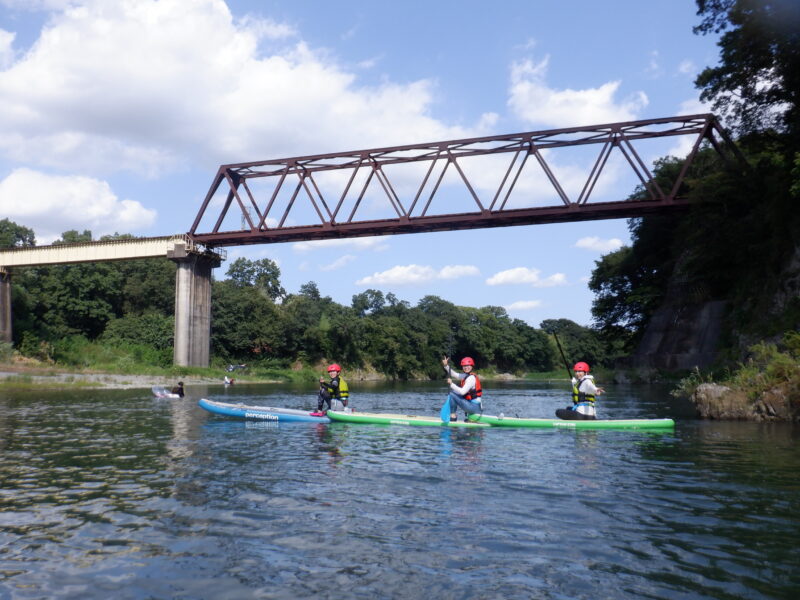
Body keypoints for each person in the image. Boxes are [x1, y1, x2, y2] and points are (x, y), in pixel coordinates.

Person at [442, 356, 482, 422]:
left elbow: (462, 392)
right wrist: (446, 365)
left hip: (473, 407)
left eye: (468, 366)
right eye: (464, 366)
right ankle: (469, 418)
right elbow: (454, 374)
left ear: (472, 366)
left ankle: (453, 416)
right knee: (454, 392)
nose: (466, 367)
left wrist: (451, 384)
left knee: (452, 394)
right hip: (474, 407)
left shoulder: (471, 378)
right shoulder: (466, 375)